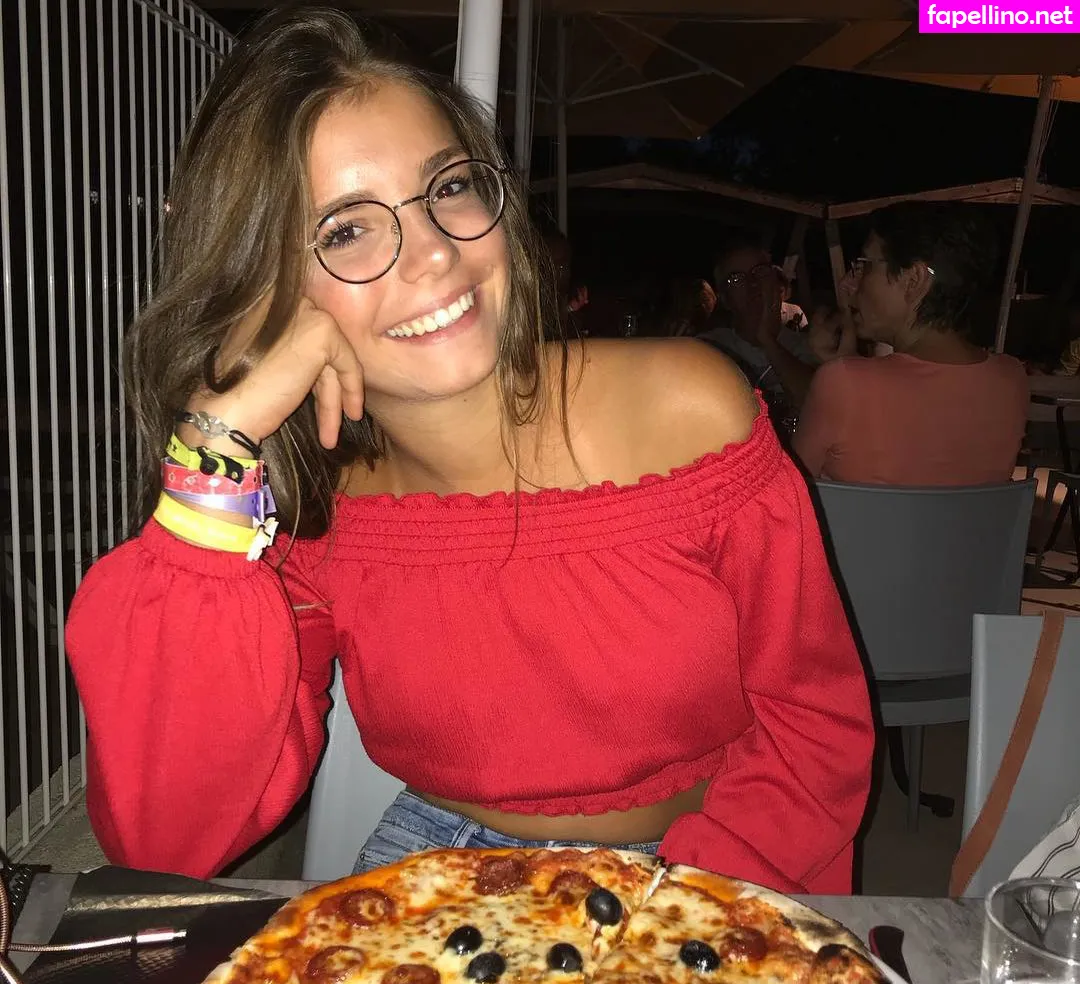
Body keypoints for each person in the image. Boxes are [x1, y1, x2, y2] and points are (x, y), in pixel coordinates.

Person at [64, 6, 873, 893]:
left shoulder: (688, 411)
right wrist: (214, 455)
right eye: (345, 229)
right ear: (264, 294)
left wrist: (687, 912)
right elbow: (167, 837)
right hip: (434, 871)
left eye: (448, 186)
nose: (435, 254)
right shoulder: (308, 506)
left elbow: (813, 729)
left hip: (702, 868)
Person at [794, 202, 1029, 486]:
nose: (847, 283)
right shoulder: (1011, 379)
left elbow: (785, 496)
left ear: (914, 279)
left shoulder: (843, 382)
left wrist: (839, 372)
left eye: (865, 266)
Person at [698, 234, 819, 408]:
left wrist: (767, 340)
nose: (752, 283)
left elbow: (816, 404)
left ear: (777, 283)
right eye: (736, 279)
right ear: (724, 299)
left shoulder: (811, 347)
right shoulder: (709, 349)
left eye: (760, 271)